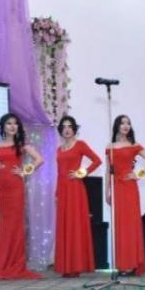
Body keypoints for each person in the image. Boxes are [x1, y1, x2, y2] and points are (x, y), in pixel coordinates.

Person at [0, 113, 43, 280]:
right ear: (3, 127)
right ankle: (2, 267)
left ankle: (14, 266)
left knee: (15, 227)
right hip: (2, 188)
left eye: (15, 123)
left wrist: (24, 171)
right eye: (9, 123)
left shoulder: (22, 145)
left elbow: (39, 159)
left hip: (15, 188)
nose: (12, 126)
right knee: (4, 227)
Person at [105, 115, 145, 275]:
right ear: (117, 126)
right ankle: (123, 264)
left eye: (128, 123)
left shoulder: (134, 145)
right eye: (122, 123)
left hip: (130, 188)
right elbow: (108, 171)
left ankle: (132, 264)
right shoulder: (110, 147)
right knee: (120, 226)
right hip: (117, 188)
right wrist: (107, 192)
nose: (126, 126)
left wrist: (138, 175)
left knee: (131, 225)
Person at [55, 115, 102, 277]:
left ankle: (76, 266)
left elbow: (97, 161)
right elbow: (59, 172)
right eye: (64, 127)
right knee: (64, 226)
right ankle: (66, 266)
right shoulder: (59, 149)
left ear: (74, 129)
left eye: (70, 126)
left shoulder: (80, 144)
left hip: (75, 189)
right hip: (62, 190)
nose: (67, 129)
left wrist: (81, 173)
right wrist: (56, 192)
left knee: (75, 225)